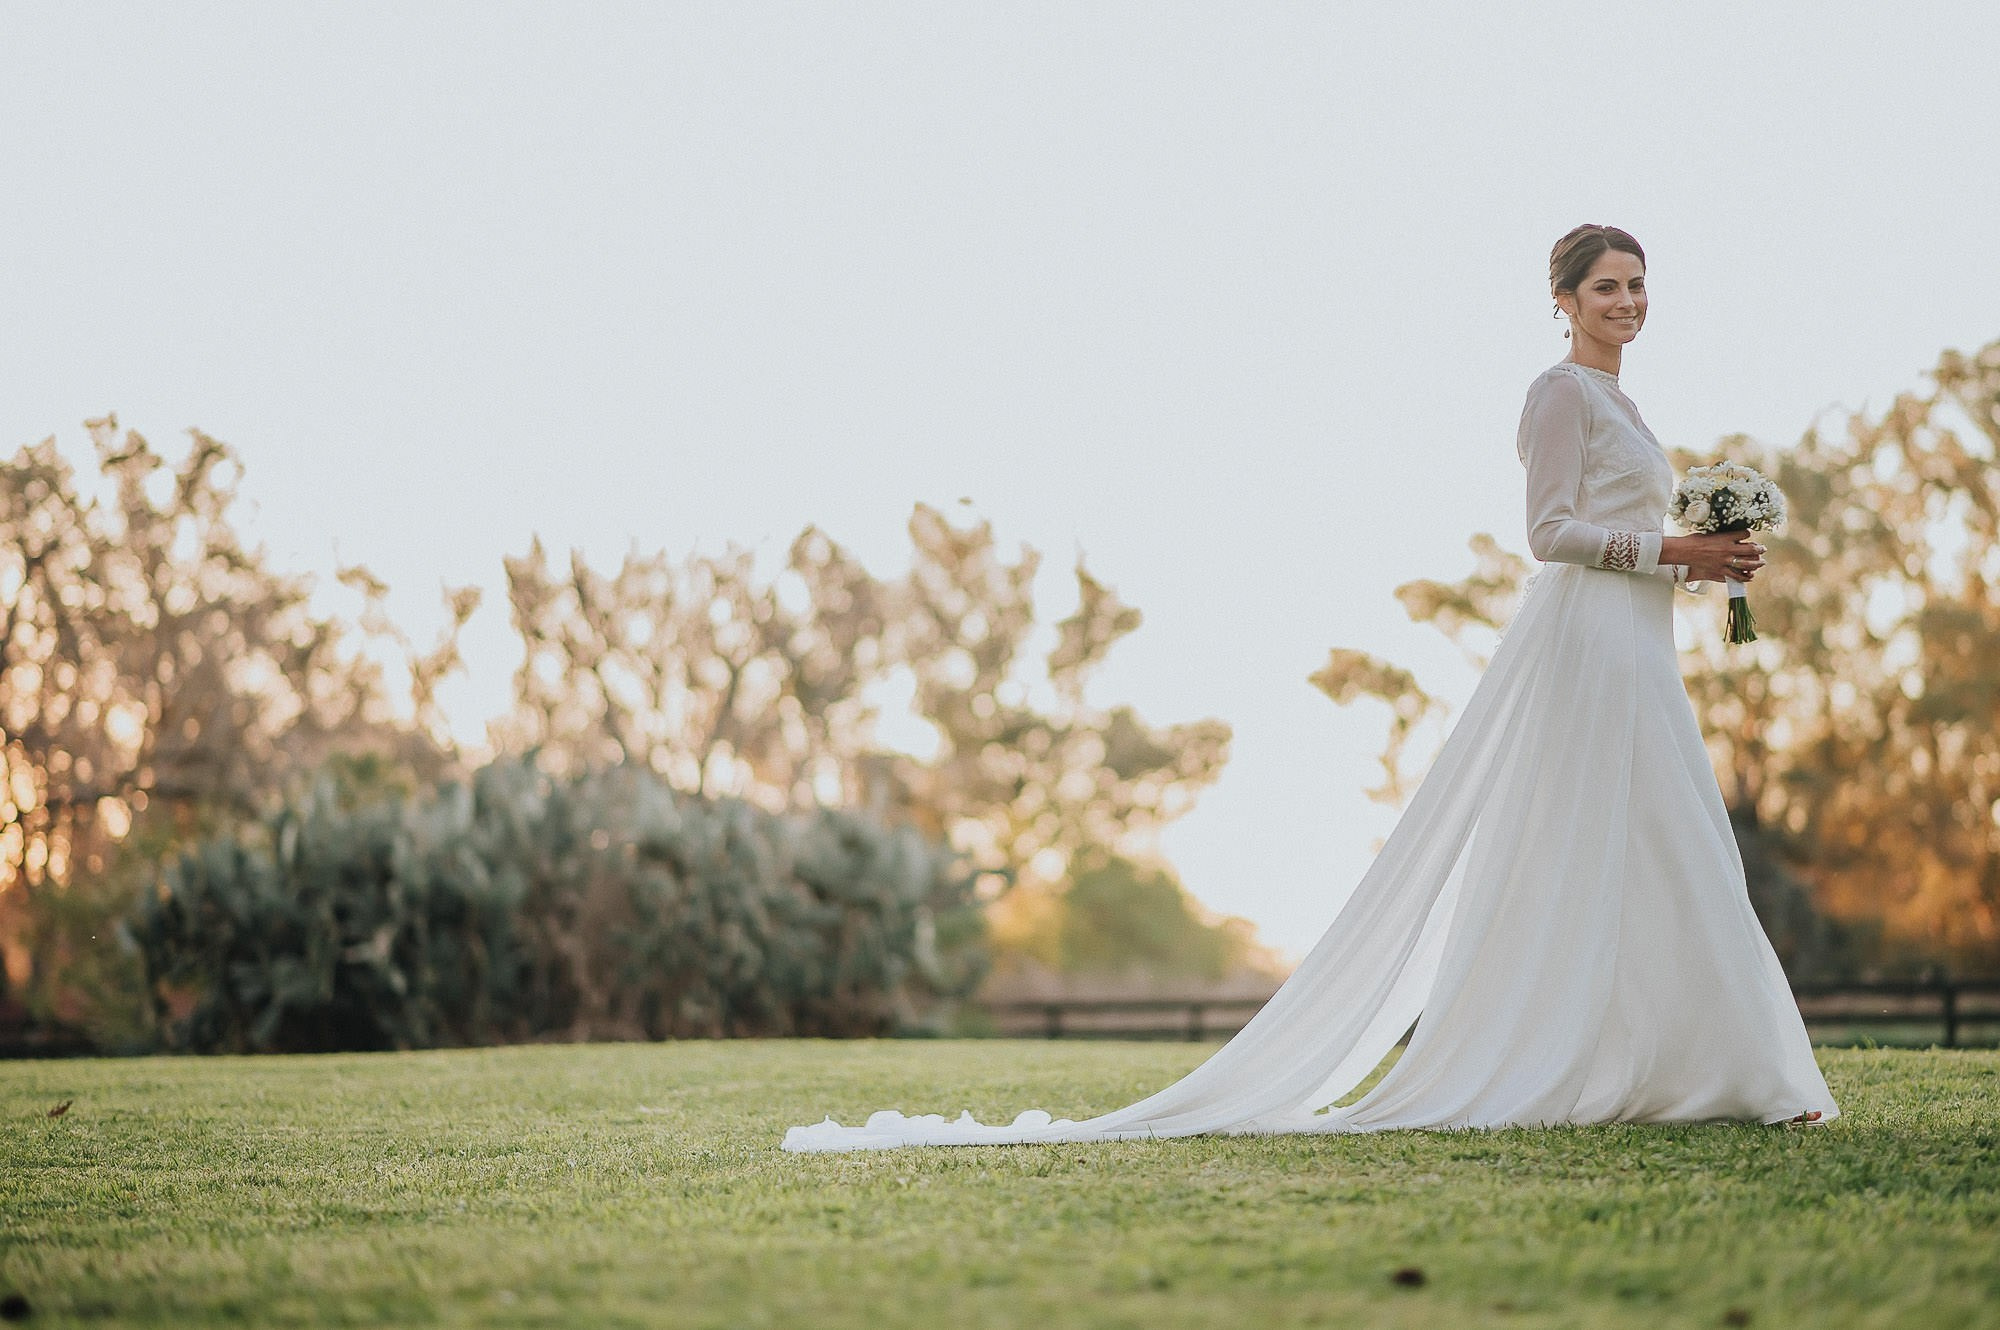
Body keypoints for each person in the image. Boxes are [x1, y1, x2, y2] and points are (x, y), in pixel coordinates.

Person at [782, 224, 1838, 1153]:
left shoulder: (1622, 398)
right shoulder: (1558, 390)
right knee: (1667, 833)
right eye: (1605, 285)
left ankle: (1695, 1067)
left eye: (1636, 284)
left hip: (1637, 643)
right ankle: (1740, 1075)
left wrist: (1697, 557)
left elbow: (1619, 532)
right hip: (1588, 647)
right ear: (1561, 301)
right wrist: (1672, 549)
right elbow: (1545, 534)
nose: (1626, 301)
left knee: (1665, 839)